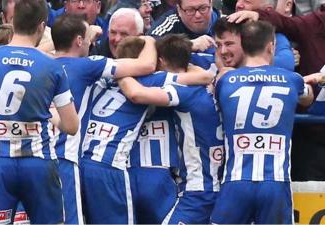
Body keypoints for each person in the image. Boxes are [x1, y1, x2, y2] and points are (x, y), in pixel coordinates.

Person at [0, 0, 78, 224]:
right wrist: (49, 112)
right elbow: (71, 126)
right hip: (39, 165)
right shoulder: (51, 66)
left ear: (10, 21)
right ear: (42, 25)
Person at [50, 14, 158, 224]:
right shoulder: (88, 65)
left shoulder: (42, 63)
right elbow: (147, 65)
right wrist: (151, 40)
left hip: (40, 156)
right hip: (66, 158)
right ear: (79, 41)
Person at [211, 21, 313, 224]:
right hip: (275, 183)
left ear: (243, 45)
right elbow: (307, 97)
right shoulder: (292, 80)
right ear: (271, 46)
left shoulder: (224, 81)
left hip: (235, 182)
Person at [117, 34, 223, 224]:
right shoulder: (211, 84)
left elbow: (136, 93)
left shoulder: (181, 90)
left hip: (198, 188)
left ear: (160, 61)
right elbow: (200, 72)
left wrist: (120, 72)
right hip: (216, 183)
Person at [232, 0, 295, 71]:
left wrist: (234, 66)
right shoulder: (224, 28)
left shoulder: (276, 38)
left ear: (267, 10)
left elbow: (286, 64)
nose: (239, 5)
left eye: (247, 2)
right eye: (238, 0)